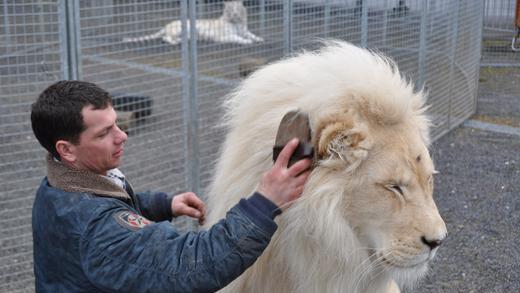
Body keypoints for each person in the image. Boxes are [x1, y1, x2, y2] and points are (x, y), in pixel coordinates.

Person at [30, 80, 311, 292]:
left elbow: (110, 209)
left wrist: (163, 204)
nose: (123, 135)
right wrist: (265, 202)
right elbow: (193, 265)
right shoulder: (98, 230)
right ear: (66, 149)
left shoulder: (59, 185)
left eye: (116, 124)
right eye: (104, 133)